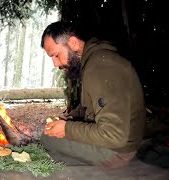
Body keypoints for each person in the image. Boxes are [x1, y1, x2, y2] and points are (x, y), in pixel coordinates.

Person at [40, 21, 146, 168]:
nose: (55, 64)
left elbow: (114, 136)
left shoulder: (100, 67)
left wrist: (67, 129)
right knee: (52, 131)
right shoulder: (96, 60)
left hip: (116, 152)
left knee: (46, 137)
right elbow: (89, 106)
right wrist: (70, 117)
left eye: (56, 55)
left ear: (73, 43)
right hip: (120, 144)